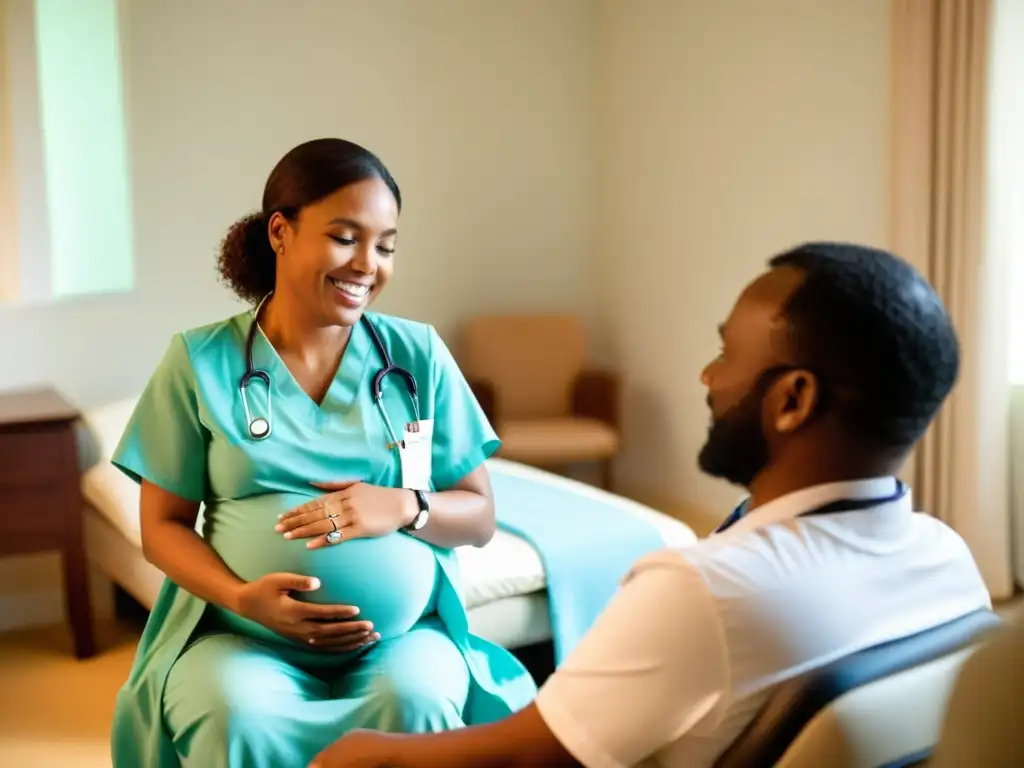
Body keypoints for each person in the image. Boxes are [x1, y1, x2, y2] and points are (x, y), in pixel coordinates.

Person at [309, 242, 993, 768]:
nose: (708, 376)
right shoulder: (949, 557)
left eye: (727, 354)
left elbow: (522, 757)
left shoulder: (704, 591)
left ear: (793, 400)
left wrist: (369, 750)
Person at [109, 138, 537, 768]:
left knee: (417, 703)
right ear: (280, 232)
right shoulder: (199, 362)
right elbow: (162, 528)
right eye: (345, 237)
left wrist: (403, 507)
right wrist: (240, 597)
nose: (368, 263)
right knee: (233, 713)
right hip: (241, 638)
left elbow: (477, 517)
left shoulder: (416, 356)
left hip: (401, 640)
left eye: (386, 245)